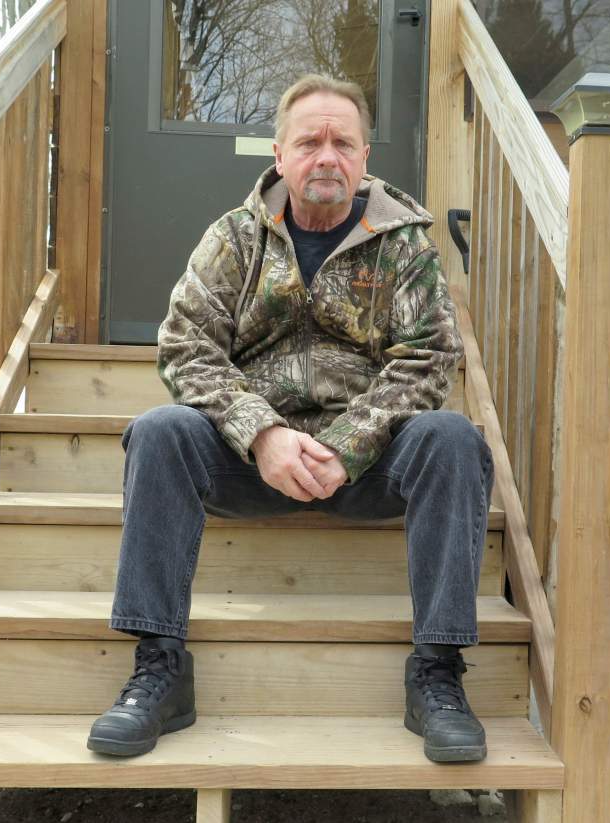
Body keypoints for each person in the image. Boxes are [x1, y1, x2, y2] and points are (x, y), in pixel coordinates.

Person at [85, 75, 495, 764]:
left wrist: (348, 444)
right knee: (159, 431)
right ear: (279, 155)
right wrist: (262, 433)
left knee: (453, 438)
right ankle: (159, 668)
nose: (326, 156)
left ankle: (438, 673)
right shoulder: (233, 239)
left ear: (364, 157)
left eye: (343, 143)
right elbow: (186, 347)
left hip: (368, 466)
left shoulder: (405, 246)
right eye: (309, 142)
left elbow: (428, 360)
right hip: (250, 463)